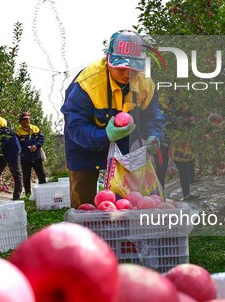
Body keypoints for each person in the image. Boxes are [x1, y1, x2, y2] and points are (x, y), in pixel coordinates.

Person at [61, 29, 165, 207]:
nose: (127, 74)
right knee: (84, 205)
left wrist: (154, 135)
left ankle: (124, 233)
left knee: (125, 202)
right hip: (84, 149)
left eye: (133, 70)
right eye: (122, 68)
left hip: (124, 151)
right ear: (108, 59)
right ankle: (85, 234)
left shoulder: (145, 85)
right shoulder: (88, 84)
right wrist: (104, 135)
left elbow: (153, 118)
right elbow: (75, 125)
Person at [16, 112, 46, 197]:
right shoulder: (18, 132)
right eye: (23, 120)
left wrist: (36, 146)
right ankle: (28, 195)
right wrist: (26, 149)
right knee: (26, 177)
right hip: (25, 158)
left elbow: (41, 139)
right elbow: (17, 144)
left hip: (36, 156)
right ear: (20, 121)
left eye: (27, 119)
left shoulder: (35, 129)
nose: (26, 121)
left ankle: (43, 194)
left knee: (41, 175)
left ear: (30, 120)